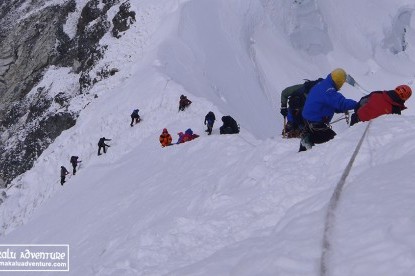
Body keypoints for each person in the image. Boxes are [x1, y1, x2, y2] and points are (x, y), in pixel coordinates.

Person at [299, 68, 358, 151]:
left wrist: (341, 109)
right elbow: (341, 103)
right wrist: (357, 104)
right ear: (339, 82)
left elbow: (328, 103)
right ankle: (309, 139)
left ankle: (306, 142)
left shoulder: (323, 84)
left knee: (307, 146)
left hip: (308, 119)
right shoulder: (329, 90)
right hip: (315, 123)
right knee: (335, 143)